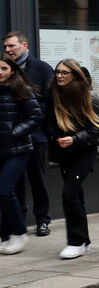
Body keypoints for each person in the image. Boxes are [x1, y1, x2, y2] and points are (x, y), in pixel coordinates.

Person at [48, 59, 99, 259]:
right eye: (57, 72)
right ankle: (83, 241)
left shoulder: (89, 96)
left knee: (69, 193)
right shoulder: (54, 94)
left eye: (64, 72)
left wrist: (75, 139)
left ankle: (75, 242)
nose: (59, 76)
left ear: (74, 75)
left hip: (84, 151)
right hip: (64, 152)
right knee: (76, 196)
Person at [3, 31, 53, 237]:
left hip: (36, 136)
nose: (8, 50)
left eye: (12, 46)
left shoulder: (41, 68)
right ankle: (19, 222)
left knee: (38, 180)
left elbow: (48, 103)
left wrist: (31, 127)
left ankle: (42, 220)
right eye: (6, 47)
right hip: (11, 140)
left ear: (24, 45)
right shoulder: (5, 69)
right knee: (15, 184)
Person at [0, 56, 43, 254]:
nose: (0, 72)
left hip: (18, 149)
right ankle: (5, 236)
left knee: (5, 190)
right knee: (8, 194)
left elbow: (35, 117)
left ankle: (19, 233)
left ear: (12, 70)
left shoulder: (21, 89)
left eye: (3, 68)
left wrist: (14, 133)